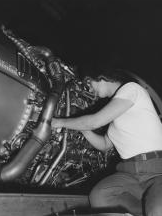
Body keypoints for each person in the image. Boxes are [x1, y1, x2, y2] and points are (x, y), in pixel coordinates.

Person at [51, 68, 162, 216]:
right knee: (99, 197)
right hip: (128, 173)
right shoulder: (116, 116)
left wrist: (58, 122)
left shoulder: (131, 89)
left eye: (88, 82)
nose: (89, 88)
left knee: (156, 210)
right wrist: (83, 129)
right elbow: (104, 145)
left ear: (102, 76)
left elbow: (94, 121)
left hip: (156, 171)